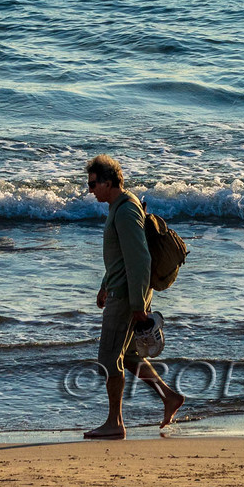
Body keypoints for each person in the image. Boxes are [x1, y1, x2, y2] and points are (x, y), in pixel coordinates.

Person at [82, 154, 185, 439]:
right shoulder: (119, 207)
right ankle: (169, 398)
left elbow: (139, 260)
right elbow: (120, 259)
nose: (90, 190)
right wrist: (104, 284)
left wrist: (138, 306)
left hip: (126, 297)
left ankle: (115, 423)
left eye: (93, 184)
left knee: (108, 358)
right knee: (126, 356)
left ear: (107, 181)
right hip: (121, 291)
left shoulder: (126, 211)